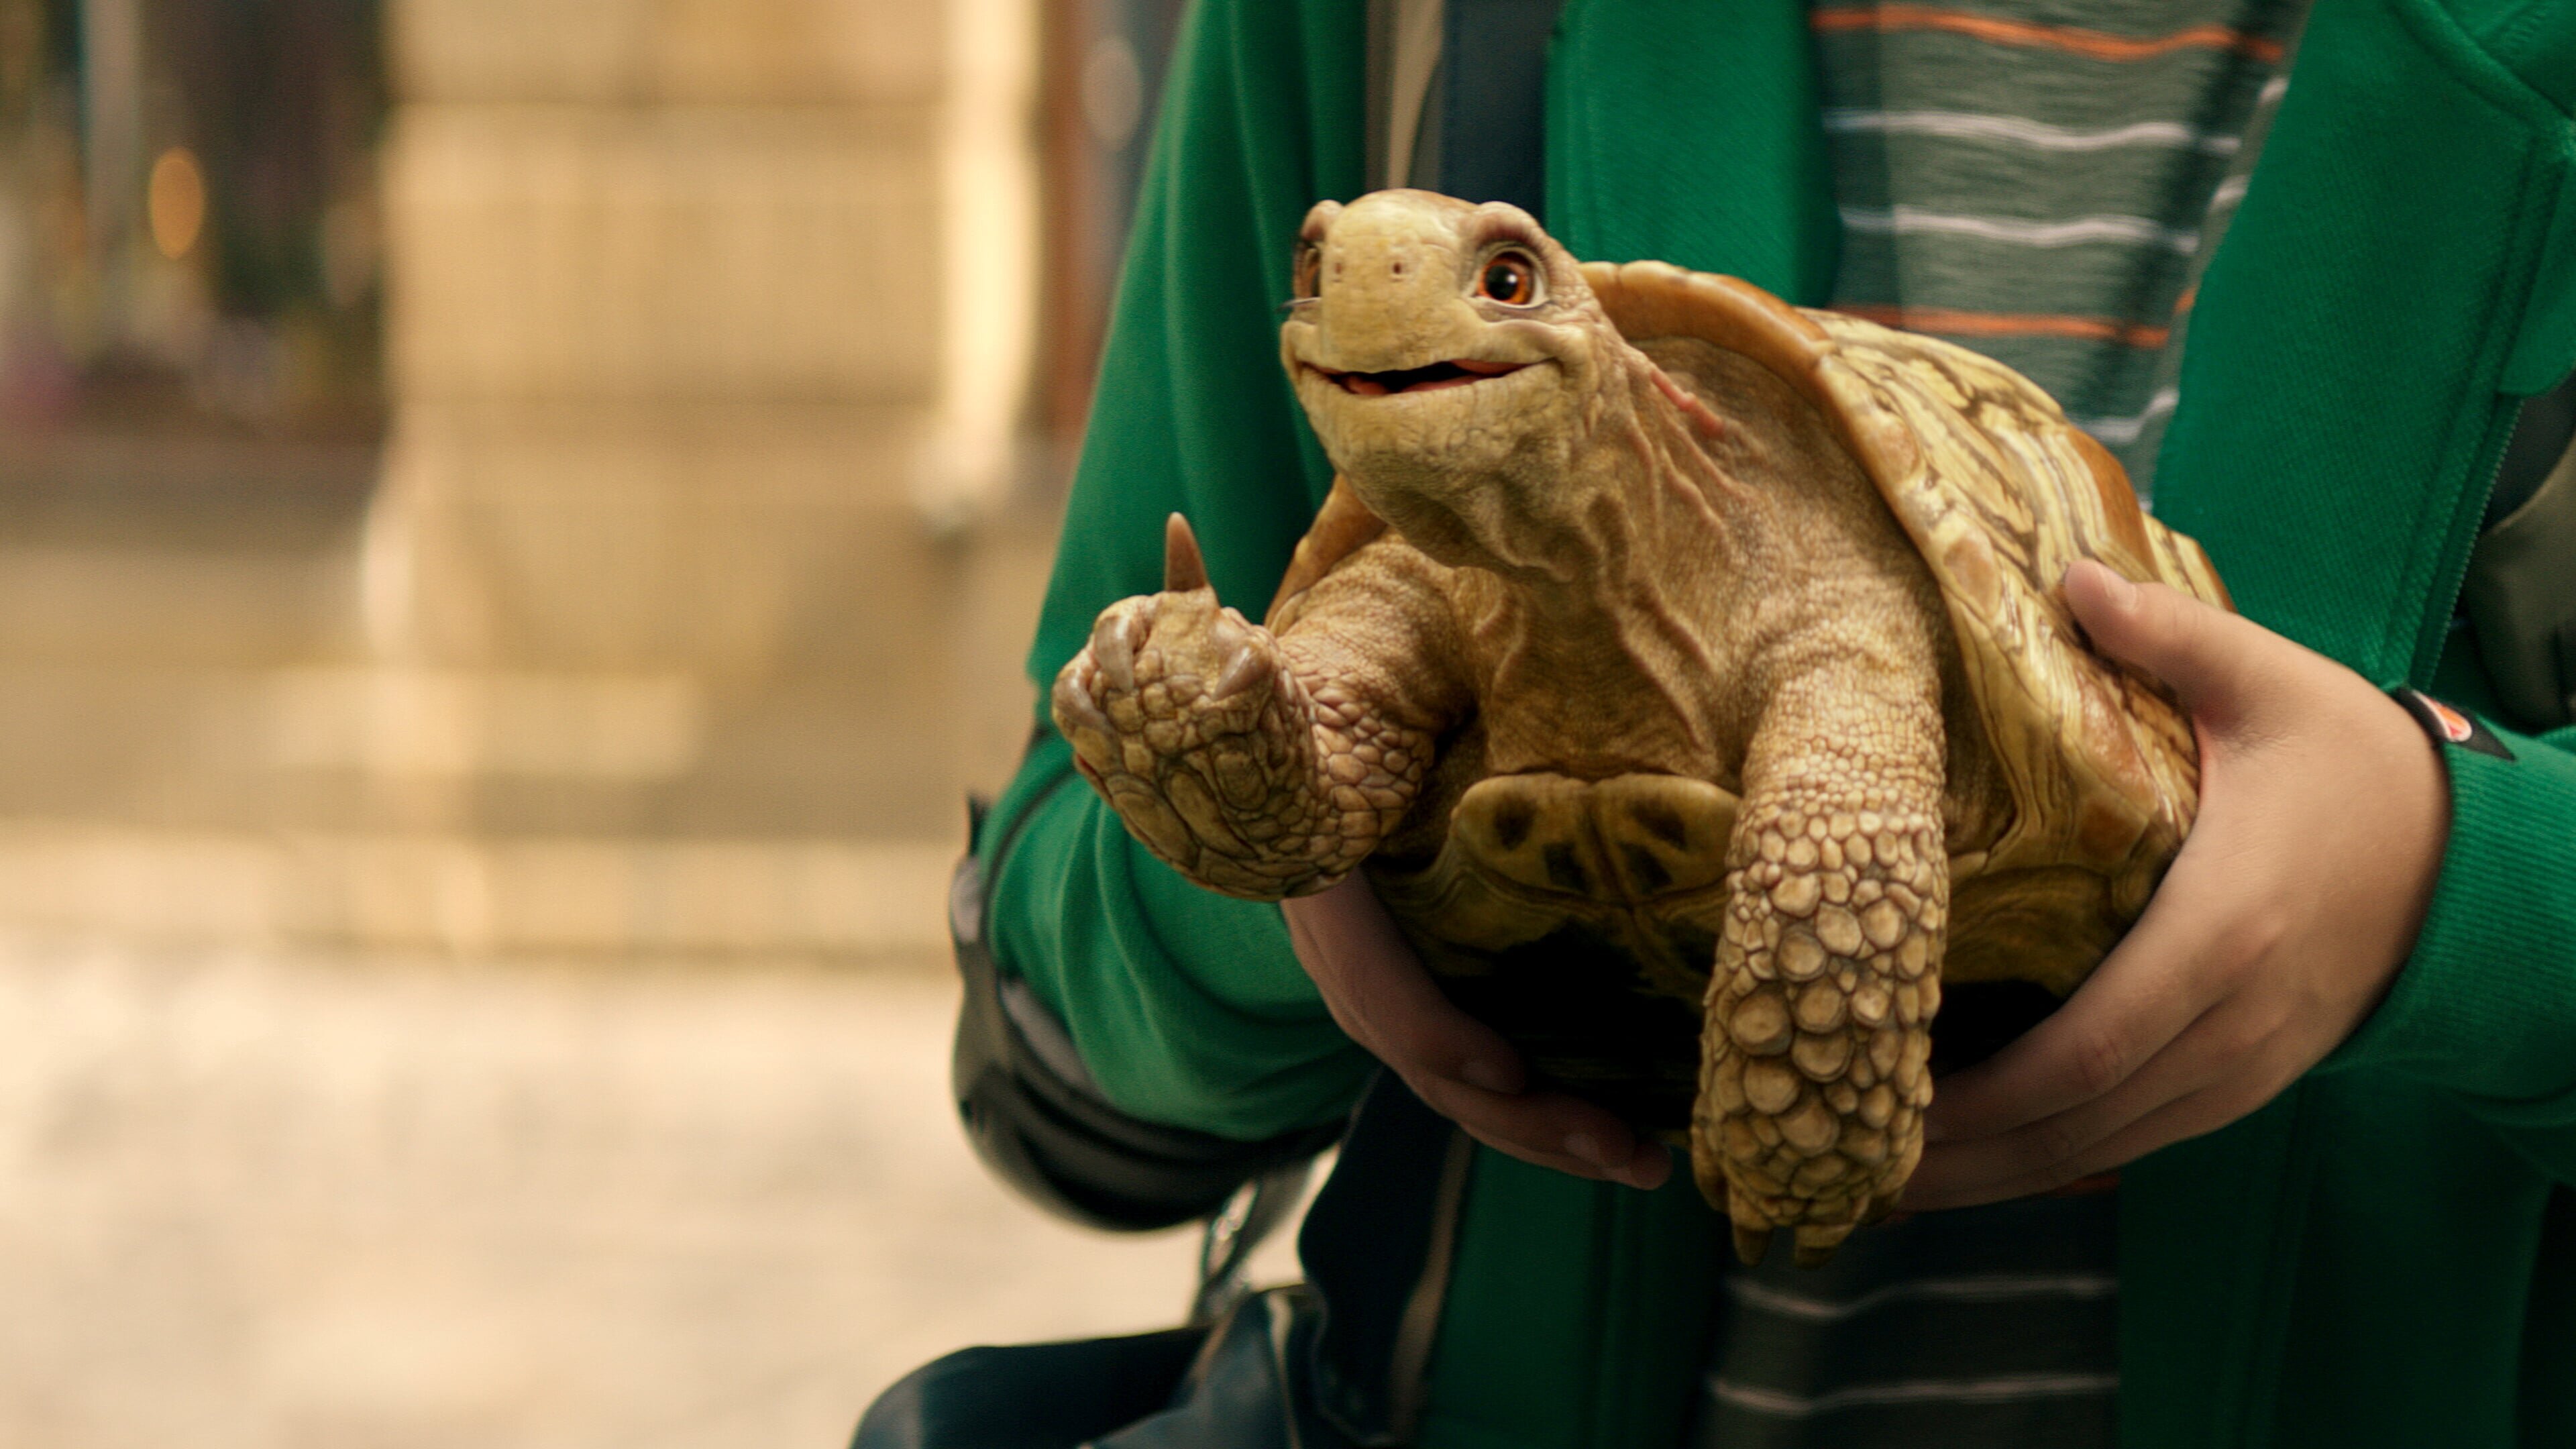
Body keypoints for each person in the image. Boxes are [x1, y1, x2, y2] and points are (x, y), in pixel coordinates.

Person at [971, 1, 2576, 1444]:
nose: (1376, 296)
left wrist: (2455, 882)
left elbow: (1849, 797)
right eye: (1322, 276)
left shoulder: (1832, 634)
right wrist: (1270, 835)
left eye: (1503, 281)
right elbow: (1060, 1033)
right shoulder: (1398, 30)